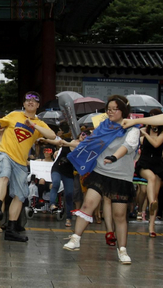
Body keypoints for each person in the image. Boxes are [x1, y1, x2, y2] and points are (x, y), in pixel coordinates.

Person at [0, 91, 55, 242]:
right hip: (5, 153)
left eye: (34, 101)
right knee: (4, 175)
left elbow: (51, 135)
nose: (30, 102)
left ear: (38, 105)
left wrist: (33, 124)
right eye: (28, 100)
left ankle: (12, 229)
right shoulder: (14, 115)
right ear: (24, 103)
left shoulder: (39, 124)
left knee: (20, 196)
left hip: (21, 163)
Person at [63, 95, 139, 265]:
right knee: (88, 204)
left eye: (115, 109)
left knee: (119, 215)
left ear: (123, 111)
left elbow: (128, 147)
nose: (110, 112)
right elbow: (89, 143)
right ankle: (76, 238)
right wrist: (64, 142)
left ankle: (122, 250)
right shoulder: (102, 127)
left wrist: (113, 157)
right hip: (101, 172)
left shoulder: (133, 129)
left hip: (121, 177)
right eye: (108, 109)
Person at [134, 109, 163, 237]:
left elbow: (156, 144)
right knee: (151, 178)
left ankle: (151, 227)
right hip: (144, 163)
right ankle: (151, 202)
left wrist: (145, 134)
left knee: (156, 193)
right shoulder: (144, 130)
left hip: (157, 164)